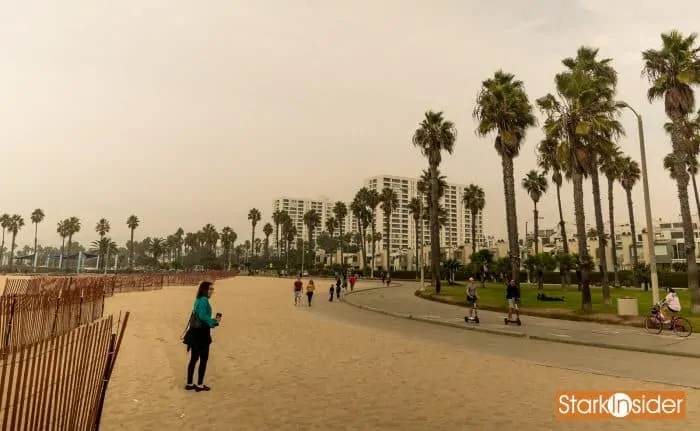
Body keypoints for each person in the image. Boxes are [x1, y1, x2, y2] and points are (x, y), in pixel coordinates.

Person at [184, 281, 220, 392]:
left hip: (195, 333)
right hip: (202, 334)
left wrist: (211, 322)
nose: (212, 291)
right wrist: (213, 322)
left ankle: (190, 383)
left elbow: (199, 315)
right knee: (203, 359)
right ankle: (200, 385)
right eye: (210, 289)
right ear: (205, 290)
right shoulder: (204, 300)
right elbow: (203, 316)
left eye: (212, 289)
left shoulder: (198, 300)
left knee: (194, 359)